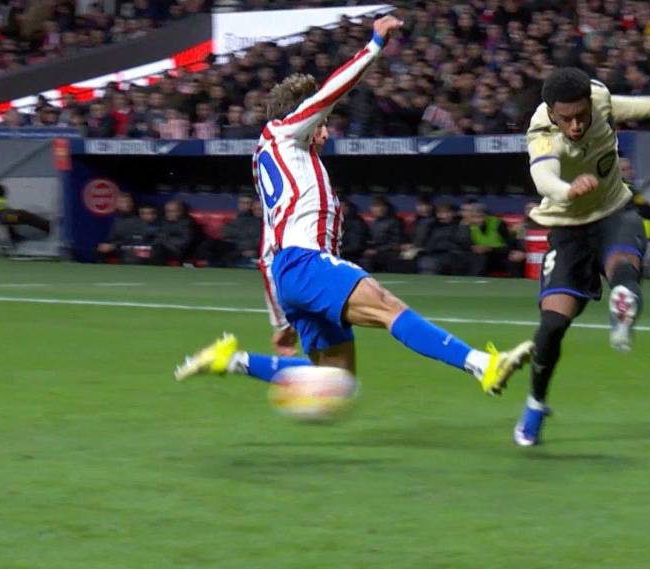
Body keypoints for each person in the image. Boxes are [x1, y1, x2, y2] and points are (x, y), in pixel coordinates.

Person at [175, 15, 531, 399]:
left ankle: (232, 360)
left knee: (335, 379)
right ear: (304, 114)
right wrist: (374, 45)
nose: (326, 130)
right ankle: (482, 364)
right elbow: (330, 92)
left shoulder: (277, 163)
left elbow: (266, 253)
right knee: (387, 307)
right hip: (306, 263)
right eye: (323, 122)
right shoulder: (283, 133)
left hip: (289, 275)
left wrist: (280, 320)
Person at [517, 67, 650, 446]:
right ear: (551, 113)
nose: (577, 125)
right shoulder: (542, 135)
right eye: (567, 118)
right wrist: (567, 189)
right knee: (551, 327)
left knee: (624, 267)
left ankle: (622, 303)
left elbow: (621, 105)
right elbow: (543, 178)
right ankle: (535, 402)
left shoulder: (597, 97)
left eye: (582, 115)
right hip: (568, 228)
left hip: (615, 211)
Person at [462, 199, 525, 277]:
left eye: (480, 217)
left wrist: (490, 249)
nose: (477, 220)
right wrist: (473, 248)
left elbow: (509, 245)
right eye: (474, 217)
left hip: (500, 255)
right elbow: (464, 244)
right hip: (479, 257)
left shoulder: (498, 224)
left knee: (512, 260)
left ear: (486, 216)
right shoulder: (466, 226)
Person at [412, 200, 471, 275]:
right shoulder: (432, 226)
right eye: (440, 213)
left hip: (452, 255)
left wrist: (463, 227)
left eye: (447, 213)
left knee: (429, 263)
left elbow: (464, 242)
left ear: (453, 213)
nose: (443, 216)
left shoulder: (460, 226)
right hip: (431, 254)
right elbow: (423, 242)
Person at [219, 194, 262, 267]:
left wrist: (252, 250)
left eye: (260, 209)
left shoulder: (263, 224)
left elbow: (259, 240)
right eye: (241, 203)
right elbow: (225, 234)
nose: (243, 205)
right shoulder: (238, 220)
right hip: (236, 252)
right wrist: (241, 251)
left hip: (254, 254)